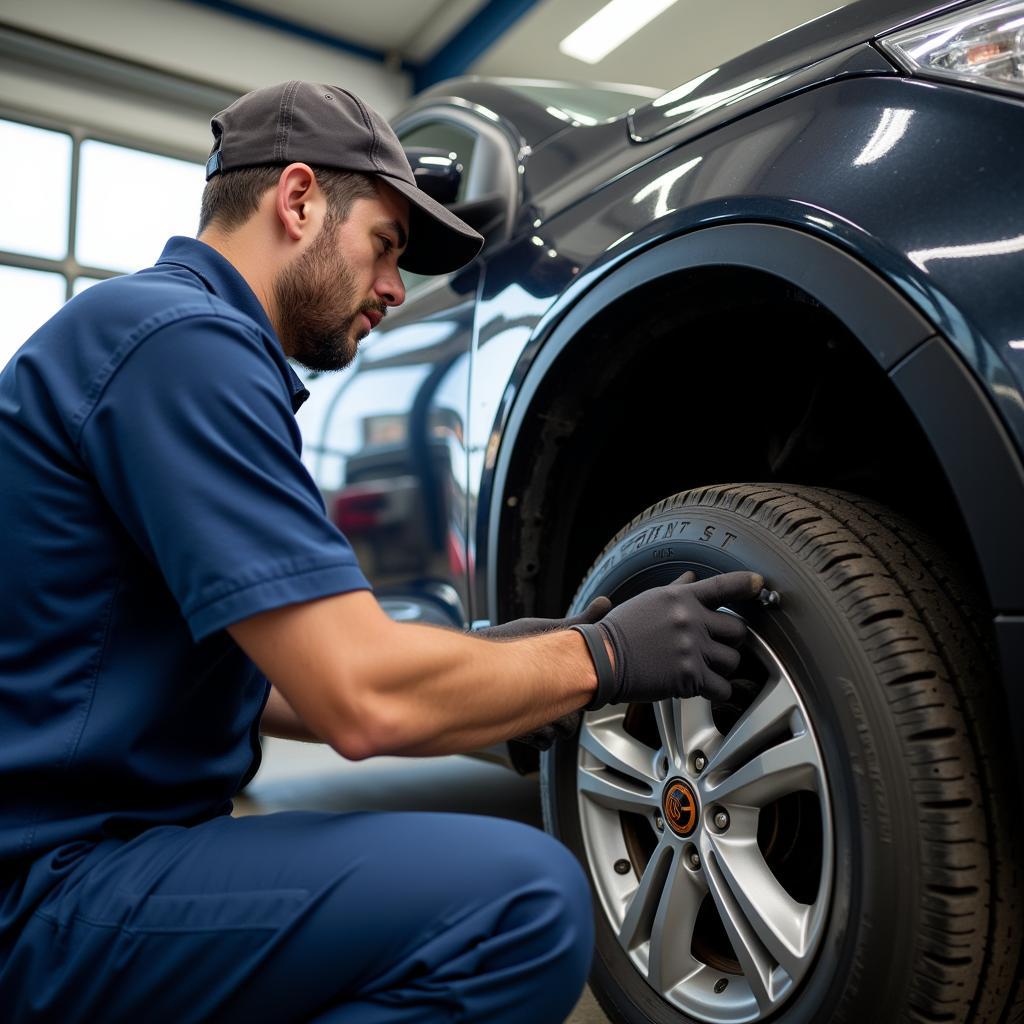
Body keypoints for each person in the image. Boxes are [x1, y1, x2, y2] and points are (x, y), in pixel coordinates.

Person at [0, 81, 763, 1023]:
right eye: (387, 244)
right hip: (48, 888)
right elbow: (357, 699)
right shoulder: (185, 345)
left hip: (74, 854)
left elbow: (263, 685)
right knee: (521, 906)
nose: (397, 289)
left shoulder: (154, 334)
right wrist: (599, 660)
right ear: (297, 200)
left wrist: (506, 664)